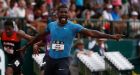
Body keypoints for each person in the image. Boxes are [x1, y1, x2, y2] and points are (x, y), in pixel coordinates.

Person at [18, 4, 123, 75]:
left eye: (65, 12)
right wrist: (27, 46)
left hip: (63, 60)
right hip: (50, 59)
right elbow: (39, 37)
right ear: (57, 14)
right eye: (61, 12)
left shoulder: (73, 27)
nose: (63, 14)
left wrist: (111, 36)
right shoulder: (51, 25)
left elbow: (92, 32)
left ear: (68, 14)